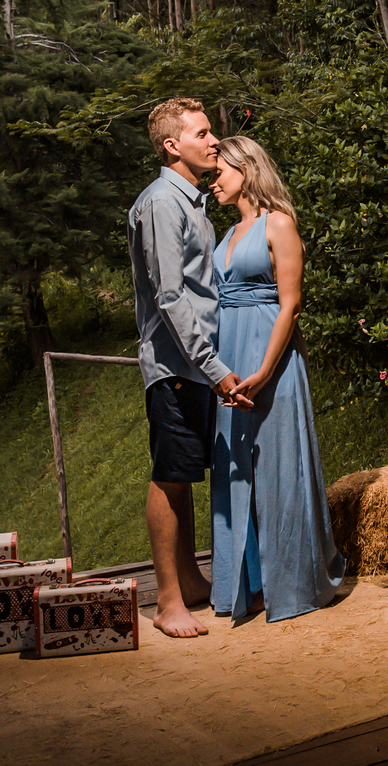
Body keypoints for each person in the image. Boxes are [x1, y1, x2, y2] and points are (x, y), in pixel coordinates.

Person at [127, 98, 251, 638]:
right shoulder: (161, 202)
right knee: (170, 476)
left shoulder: (192, 204)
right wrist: (213, 365)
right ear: (172, 145)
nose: (214, 141)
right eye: (202, 134)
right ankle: (167, 601)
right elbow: (171, 298)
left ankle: (192, 579)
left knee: (186, 479)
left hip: (196, 367)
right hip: (176, 365)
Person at [209, 135, 344, 622]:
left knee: (280, 469)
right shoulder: (226, 236)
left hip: (272, 360)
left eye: (220, 170)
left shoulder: (279, 223)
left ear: (245, 168)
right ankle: (248, 586)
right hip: (229, 366)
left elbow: (290, 303)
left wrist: (264, 371)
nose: (214, 179)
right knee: (234, 471)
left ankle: (294, 579)